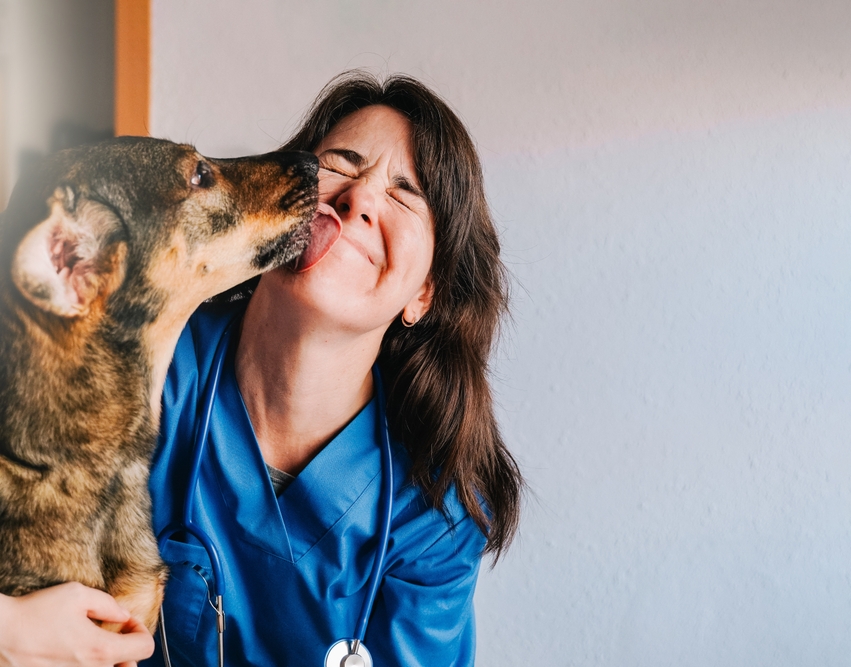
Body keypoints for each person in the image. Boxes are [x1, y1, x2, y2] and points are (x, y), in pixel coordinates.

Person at [0, 71, 522, 667]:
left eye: (406, 193)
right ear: (282, 196)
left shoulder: (433, 513)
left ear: (424, 293)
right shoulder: (134, 371)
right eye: (343, 164)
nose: (361, 199)